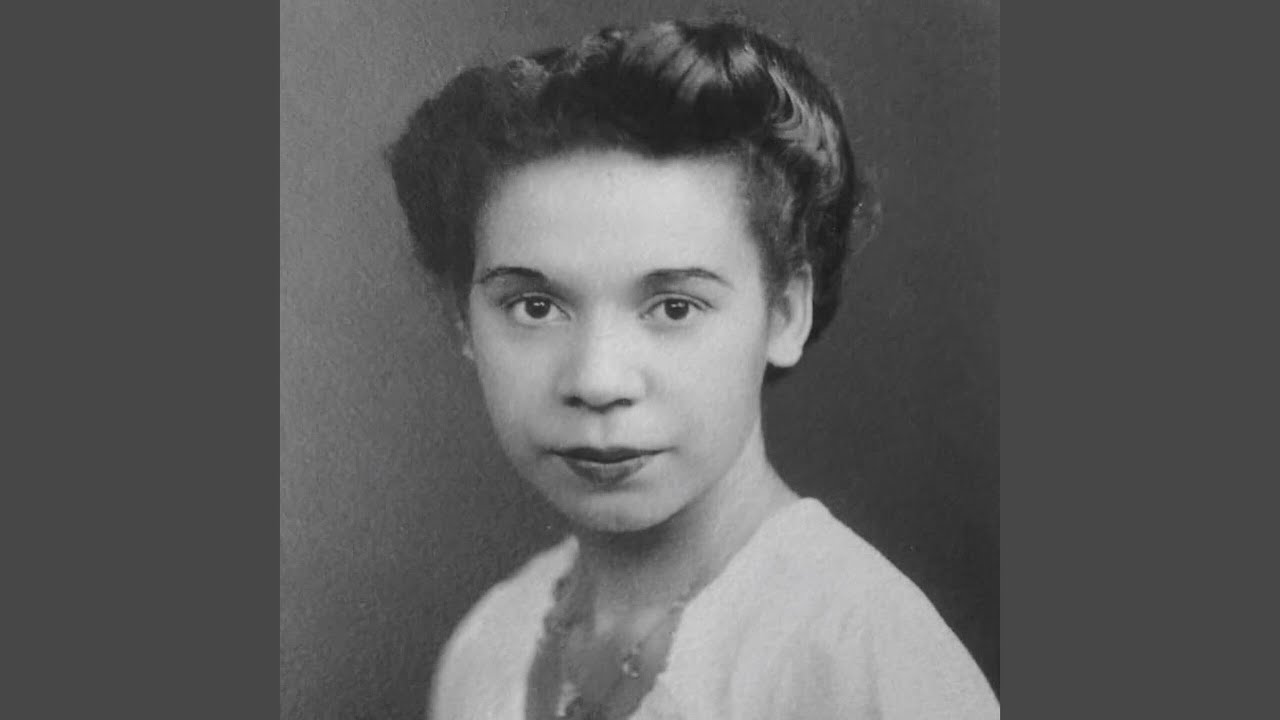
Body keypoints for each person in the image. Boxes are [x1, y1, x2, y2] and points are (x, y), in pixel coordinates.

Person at [388, 18, 998, 720]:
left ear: (784, 313)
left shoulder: (861, 653)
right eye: (535, 306)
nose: (597, 380)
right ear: (463, 320)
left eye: (674, 307)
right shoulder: (490, 643)